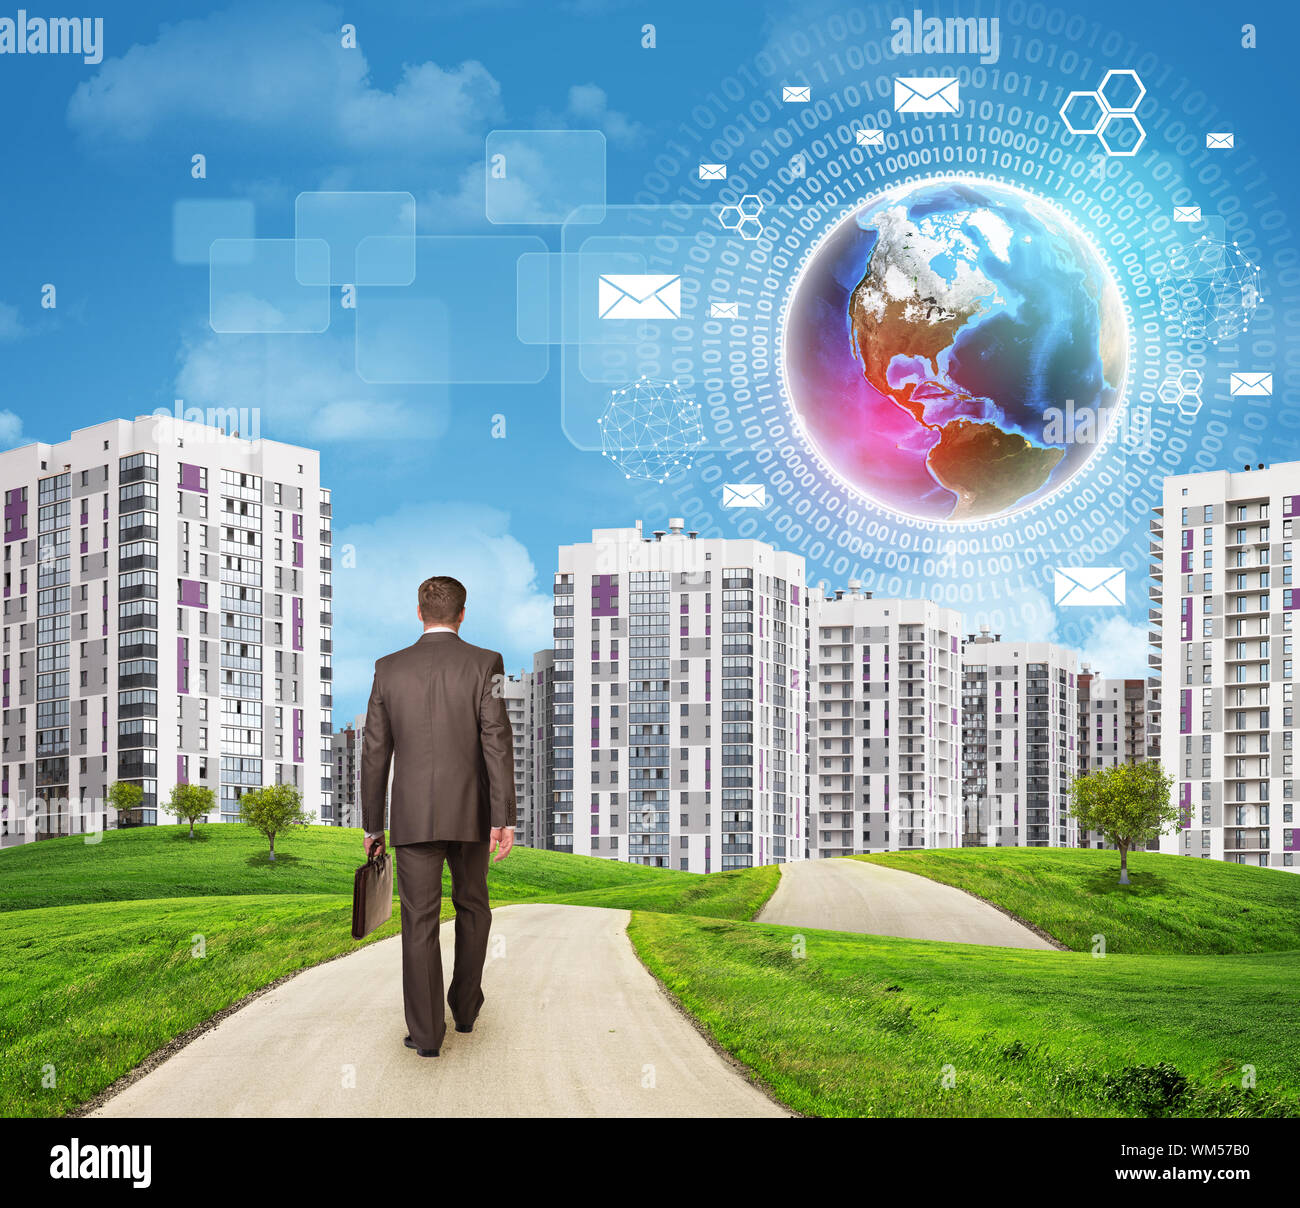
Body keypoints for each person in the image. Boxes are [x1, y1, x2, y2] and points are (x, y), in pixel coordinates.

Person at [360, 575, 516, 1057]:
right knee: (473, 908)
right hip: (470, 814)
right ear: (462, 613)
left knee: (419, 921)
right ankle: (465, 1009)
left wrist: (372, 825)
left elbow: (373, 752)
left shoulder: (387, 669)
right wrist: (502, 816)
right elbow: (497, 740)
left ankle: (427, 1035)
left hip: (411, 818)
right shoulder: (485, 663)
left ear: (419, 611)